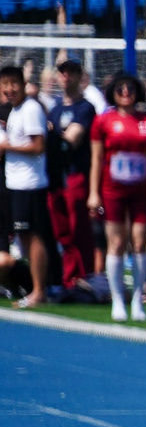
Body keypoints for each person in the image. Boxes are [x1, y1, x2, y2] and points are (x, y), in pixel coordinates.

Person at [88, 73, 146, 322]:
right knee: (116, 244)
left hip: (140, 192)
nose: (125, 92)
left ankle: (139, 298)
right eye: (120, 88)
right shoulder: (103, 121)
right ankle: (118, 299)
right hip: (112, 190)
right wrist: (94, 193)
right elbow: (96, 159)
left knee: (139, 243)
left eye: (129, 88)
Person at [43, 59, 97, 292]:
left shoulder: (85, 107)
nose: (67, 77)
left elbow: (71, 141)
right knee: (62, 231)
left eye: (72, 72)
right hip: (56, 178)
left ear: (79, 76)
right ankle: (68, 279)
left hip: (76, 175)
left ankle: (85, 276)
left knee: (79, 229)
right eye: (63, 72)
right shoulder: (55, 110)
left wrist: (53, 137)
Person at [2, 64, 50, 308]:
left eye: (13, 83)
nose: (9, 89)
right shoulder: (14, 111)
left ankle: (39, 290)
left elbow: (38, 147)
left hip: (30, 185)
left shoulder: (31, 109)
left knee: (33, 237)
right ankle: (33, 288)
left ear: (22, 84)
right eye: (5, 84)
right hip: (16, 184)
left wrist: (6, 147)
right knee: (23, 237)